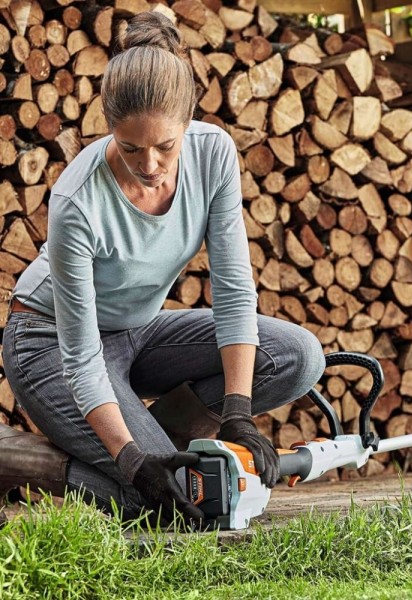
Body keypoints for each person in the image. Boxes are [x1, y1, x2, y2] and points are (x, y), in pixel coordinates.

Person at [0, 12, 325, 527]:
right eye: (130, 148)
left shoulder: (213, 152)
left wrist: (237, 412)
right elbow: (82, 357)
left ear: (188, 123)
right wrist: (134, 463)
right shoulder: (76, 202)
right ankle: (14, 457)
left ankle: (157, 445)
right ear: (110, 126)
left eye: (165, 146)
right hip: (47, 340)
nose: (149, 164)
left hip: (136, 331)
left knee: (296, 357)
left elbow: (236, 290)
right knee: (155, 502)